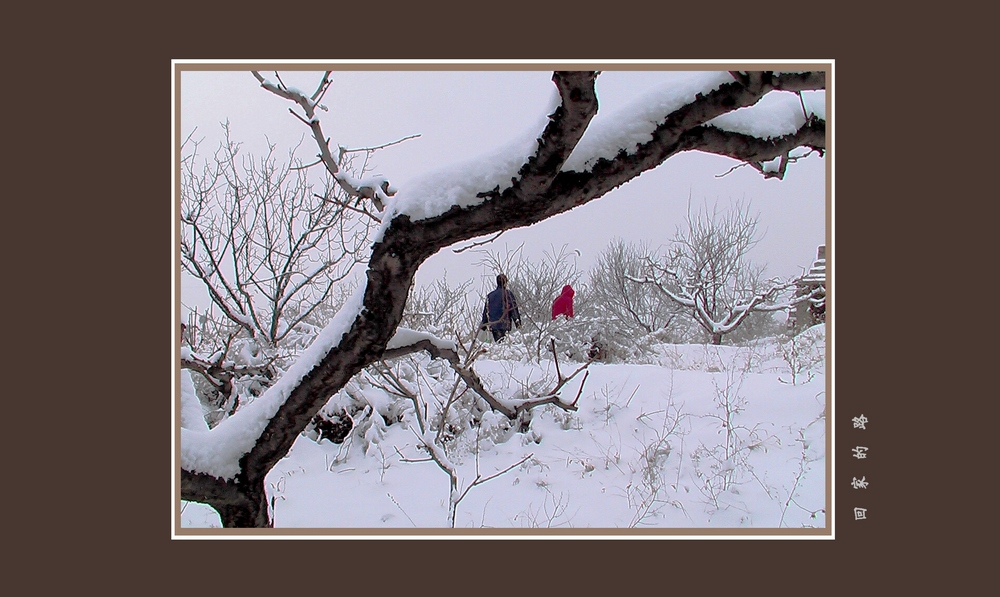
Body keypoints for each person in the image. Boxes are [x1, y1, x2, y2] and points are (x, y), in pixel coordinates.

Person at [480, 274, 521, 342]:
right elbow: (513, 309)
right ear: (505, 283)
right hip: (504, 324)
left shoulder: (490, 296)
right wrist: (517, 322)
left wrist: (484, 325)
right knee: (504, 343)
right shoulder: (508, 294)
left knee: (498, 342)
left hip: (493, 325)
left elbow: (486, 311)